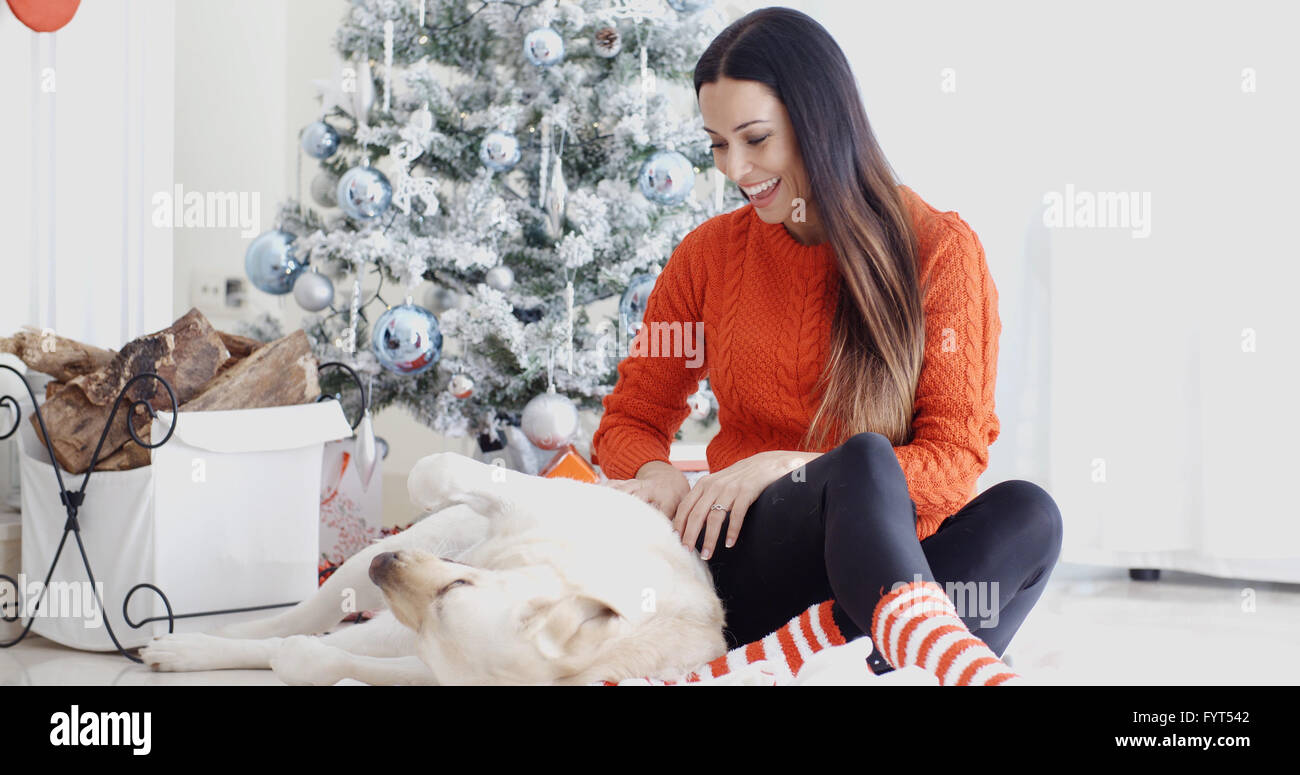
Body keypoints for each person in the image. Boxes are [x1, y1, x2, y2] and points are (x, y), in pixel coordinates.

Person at [591, 7, 1061, 686]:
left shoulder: (939, 251)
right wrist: (658, 473)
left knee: (1029, 514)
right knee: (861, 459)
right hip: (753, 554)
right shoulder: (709, 256)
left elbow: (954, 463)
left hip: (886, 566)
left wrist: (791, 463)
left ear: (821, 119)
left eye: (755, 138)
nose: (736, 168)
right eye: (718, 144)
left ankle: (831, 656)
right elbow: (633, 416)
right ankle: (926, 659)